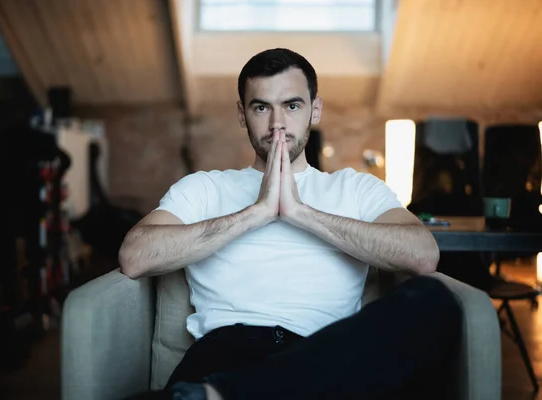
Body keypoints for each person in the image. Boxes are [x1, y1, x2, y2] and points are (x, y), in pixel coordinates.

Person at [119, 48, 462, 400]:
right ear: (242, 114)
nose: (276, 123)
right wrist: (255, 213)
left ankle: (221, 395)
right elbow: (134, 255)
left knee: (432, 299)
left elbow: (423, 256)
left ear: (316, 109)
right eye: (261, 107)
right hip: (223, 353)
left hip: (321, 358)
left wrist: (301, 213)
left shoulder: (356, 188)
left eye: (292, 106)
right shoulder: (204, 187)